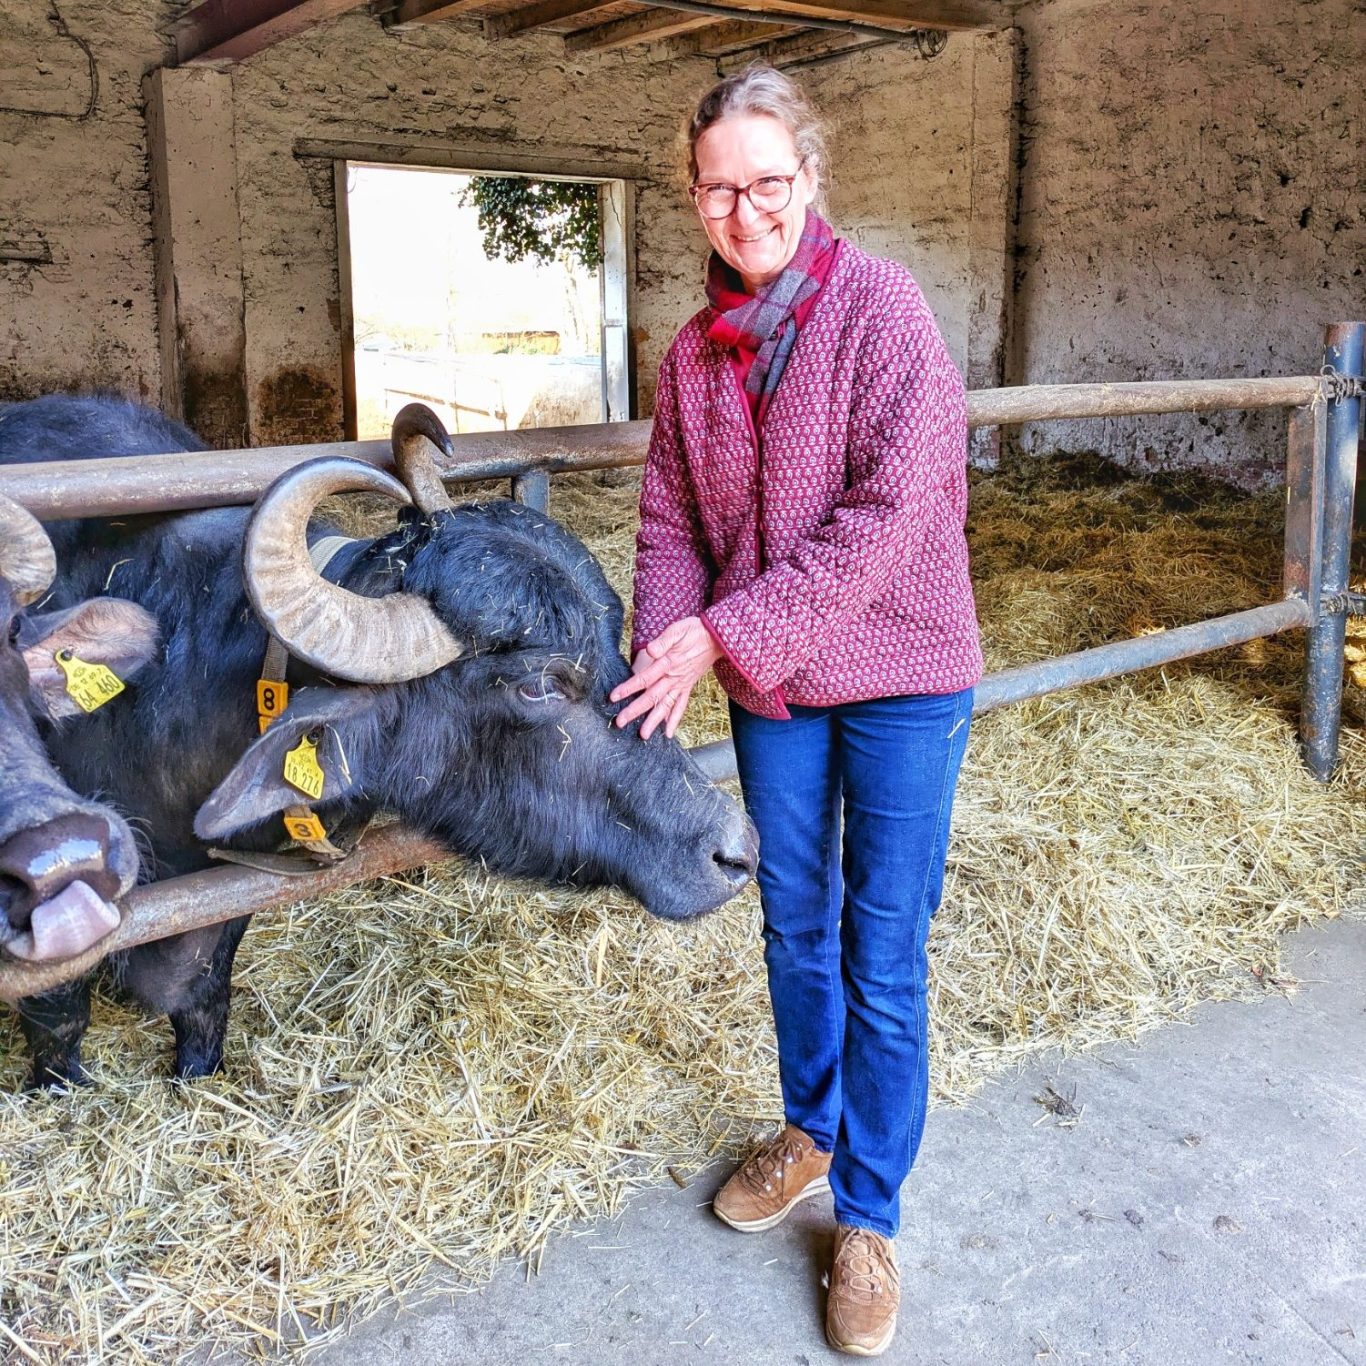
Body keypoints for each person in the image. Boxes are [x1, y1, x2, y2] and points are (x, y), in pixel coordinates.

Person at [609, 64, 982, 1358]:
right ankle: (809, 1131)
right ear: (694, 195)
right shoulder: (690, 354)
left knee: (882, 943)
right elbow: (671, 518)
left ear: (809, 179)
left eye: (766, 181)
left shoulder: (881, 310)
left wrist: (722, 630)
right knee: (789, 920)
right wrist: (664, 639)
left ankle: (868, 1215)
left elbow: (887, 517)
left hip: (901, 670)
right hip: (777, 683)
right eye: (716, 186)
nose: (742, 207)